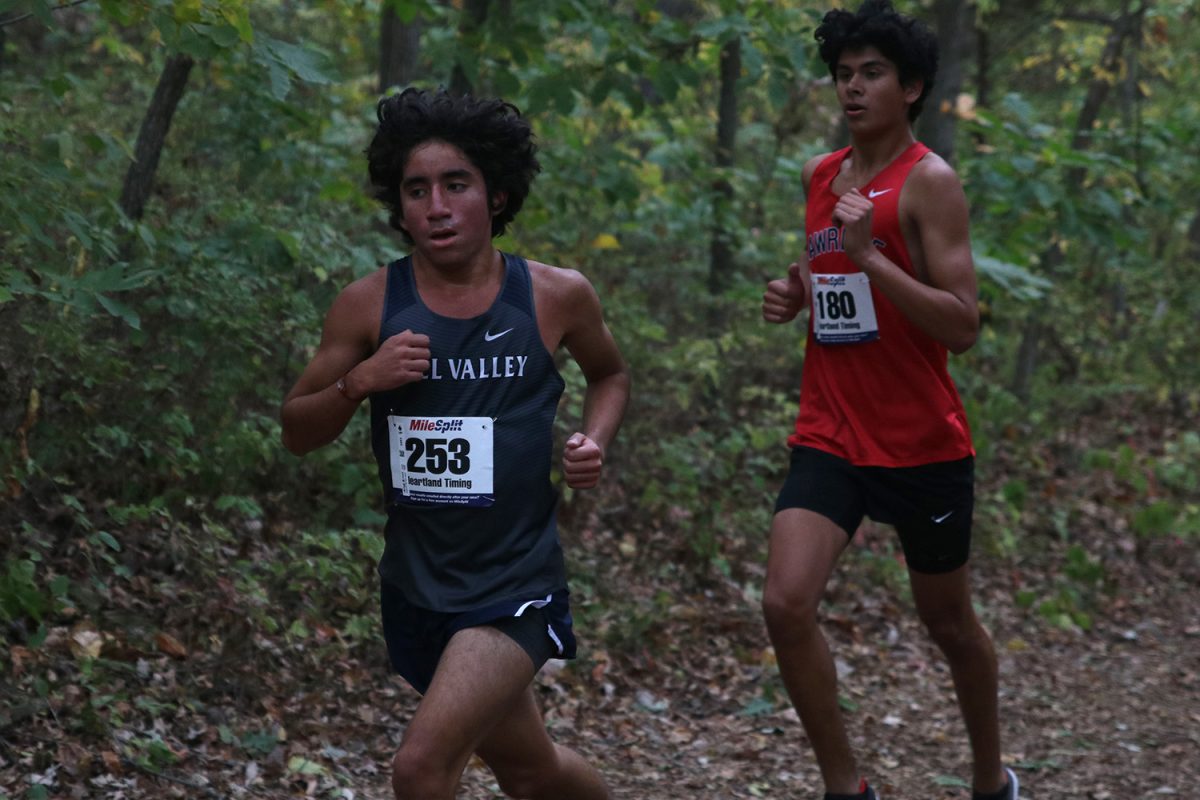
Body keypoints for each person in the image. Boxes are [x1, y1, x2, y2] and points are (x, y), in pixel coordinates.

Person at [280, 87, 629, 800]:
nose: (435, 206)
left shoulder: (554, 296)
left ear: (496, 196)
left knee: (421, 767)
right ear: (399, 207)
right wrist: (360, 384)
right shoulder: (369, 304)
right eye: (416, 190)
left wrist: (592, 440)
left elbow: (611, 374)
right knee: (534, 772)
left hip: (513, 590)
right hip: (416, 587)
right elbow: (295, 431)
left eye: (455, 185)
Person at [760, 3, 1018, 800]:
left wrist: (871, 258)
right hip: (830, 432)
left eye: (872, 73)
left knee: (948, 625)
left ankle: (988, 779)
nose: (853, 87)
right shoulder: (820, 175)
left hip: (921, 443)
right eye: (843, 74)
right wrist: (799, 289)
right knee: (784, 603)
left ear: (910, 88)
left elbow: (964, 325)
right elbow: (825, 265)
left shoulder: (929, 182)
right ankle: (849, 788)